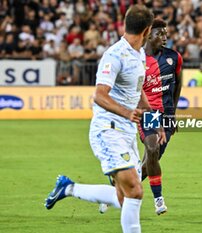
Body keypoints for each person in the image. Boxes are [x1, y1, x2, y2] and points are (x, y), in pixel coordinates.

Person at [45, 5, 156, 233]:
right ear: (147, 30)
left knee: (124, 198)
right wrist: (127, 113)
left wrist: (155, 121)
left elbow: (137, 91)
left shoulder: (139, 54)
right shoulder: (114, 55)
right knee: (135, 191)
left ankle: (68, 188)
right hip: (108, 129)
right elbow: (99, 95)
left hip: (127, 132)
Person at [139, 18, 183, 215]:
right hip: (148, 112)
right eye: (160, 33)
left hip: (166, 114)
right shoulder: (138, 60)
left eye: (166, 33)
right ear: (149, 34)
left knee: (151, 160)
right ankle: (158, 200)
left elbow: (177, 86)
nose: (164, 37)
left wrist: (172, 115)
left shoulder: (174, 57)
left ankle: (116, 188)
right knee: (152, 147)